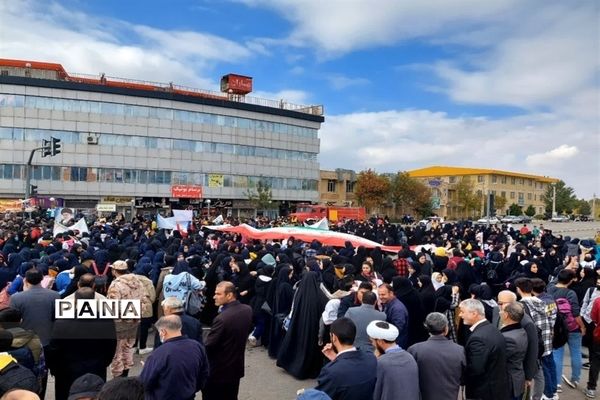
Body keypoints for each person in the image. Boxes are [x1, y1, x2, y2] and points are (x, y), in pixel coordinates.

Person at [45, 288, 116, 400]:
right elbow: (111, 345)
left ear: (75, 301)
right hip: (96, 368)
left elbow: (54, 348)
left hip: (67, 371)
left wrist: (54, 368)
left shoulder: (62, 322)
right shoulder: (106, 320)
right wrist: (104, 362)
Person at [202, 281, 253, 400]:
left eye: (218, 294)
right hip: (235, 367)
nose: (214, 296)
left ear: (229, 295)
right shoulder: (247, 309)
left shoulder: (222, 318)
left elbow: (209, 345)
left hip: (218, 372)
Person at [140, 315, 209, 400]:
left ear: (163, 332)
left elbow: (145, 382)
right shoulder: (197, 346)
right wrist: (192, 389)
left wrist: (148, 367)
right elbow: (204, 373)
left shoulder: (159, 353)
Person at [276, 271, 329, 379]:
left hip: (299, 325)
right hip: (313, 328)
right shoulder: (320, 295)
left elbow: (294, 308)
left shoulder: (299, 293)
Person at [313, 318, 377, 400]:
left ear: (334, 337)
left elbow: (320, 396)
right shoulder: (371, 359)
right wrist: (336, 359)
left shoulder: (331, 372)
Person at [407, 312, 465, 400]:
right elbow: (463, 377)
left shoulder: (415, 350)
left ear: (427, 328)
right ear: (446, 329)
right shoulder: (459, 350)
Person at [459, 298, 509, 400]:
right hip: (496, 388)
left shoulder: (478, 338)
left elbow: (476, 369)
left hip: (484, 392)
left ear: (474, 313)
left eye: (462, 312)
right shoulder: (491, 328)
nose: (460, 315)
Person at [106, 260, 146, 378]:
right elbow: (144, 300)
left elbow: (112, 306)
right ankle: (126, 372)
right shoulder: (138, 282)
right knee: (128, 347)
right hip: (134, 321)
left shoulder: (115, 285)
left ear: (114, 271)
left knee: (117, 352)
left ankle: (118, 377)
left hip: (119, 323)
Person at [548, 269, 585, 390]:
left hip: (556, 327)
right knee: (576, 352)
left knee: (557, 354)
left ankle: (557, 382)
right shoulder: (571, 293)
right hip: (572, 327)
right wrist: (582, 326)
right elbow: (575, 313)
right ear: (569, 281)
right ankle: (575, 379)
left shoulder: (550, 289)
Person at [9, 268, 60, 348]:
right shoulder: (55, 295)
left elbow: (13, 321)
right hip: (48, 339)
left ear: (25, 280)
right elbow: (58, 318)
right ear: (42, 278)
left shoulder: (15, 298)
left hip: (26, 341)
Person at [368, 320, 419, 400]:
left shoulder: (381, 362)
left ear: (380, 341)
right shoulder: (410, 358)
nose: (372, 344)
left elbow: (376, 393)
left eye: (372, 341)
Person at [499, 301, 528, 400]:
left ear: (506, 315)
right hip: (516, 379)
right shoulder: (521, 331)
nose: (500, 312)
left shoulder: (508, 338)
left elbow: (499, 359)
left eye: (502, 310)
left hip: (509, 383)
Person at [377, 283, 409, 348]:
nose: (380, 297)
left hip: (396, 344)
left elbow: (397, 329)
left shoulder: (397, 309)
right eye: (379, 295)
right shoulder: (388, 303)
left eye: (383, 294)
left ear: (391, 293)